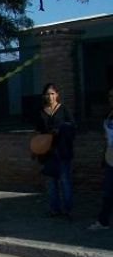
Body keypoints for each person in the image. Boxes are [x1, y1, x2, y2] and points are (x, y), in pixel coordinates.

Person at [36, 83, 76, 219]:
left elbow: (73, 126)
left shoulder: (63, 109)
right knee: (51, 183)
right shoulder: (41, 111)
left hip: (63, 150)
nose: (50, 96)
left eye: (52, 93)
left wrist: (60, 130)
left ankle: (68, 209)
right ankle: (54, 209)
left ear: (57, 95)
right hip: (48, 152)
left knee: (65, 181)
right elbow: (38, 131)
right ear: (44, 96)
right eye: (47, 94)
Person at [88, 88, 113, 230]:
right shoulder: (108, 115)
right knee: (107, 191)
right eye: (110, 96)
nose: (111, 98)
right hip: (110, 157)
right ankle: (103, 222)